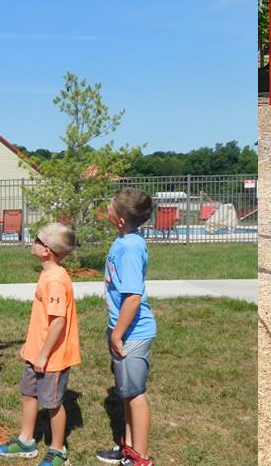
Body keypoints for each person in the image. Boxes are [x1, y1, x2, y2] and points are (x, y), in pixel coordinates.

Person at [0, 223, 81, 466]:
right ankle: (26, 441)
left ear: (46, 251)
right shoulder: (47, 273)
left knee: (52, 404)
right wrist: (31, 347)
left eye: (36, 239)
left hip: (52, 357)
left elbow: (57, 323)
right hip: (37, 352)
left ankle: (58, 451)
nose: (32, 241)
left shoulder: (55, 280)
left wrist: (43, 355)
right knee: (28, 392)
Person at [95, 188, 158, 466]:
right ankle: (128, 448)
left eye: (109, 206)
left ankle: (140, 458)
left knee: (135, 394)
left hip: (132, 333)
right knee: (126, 392)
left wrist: (118, 334)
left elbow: (132, 297)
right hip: (122, 331)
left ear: (120, 219)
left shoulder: (130, 247)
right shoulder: (125, 239)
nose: (106, 209)